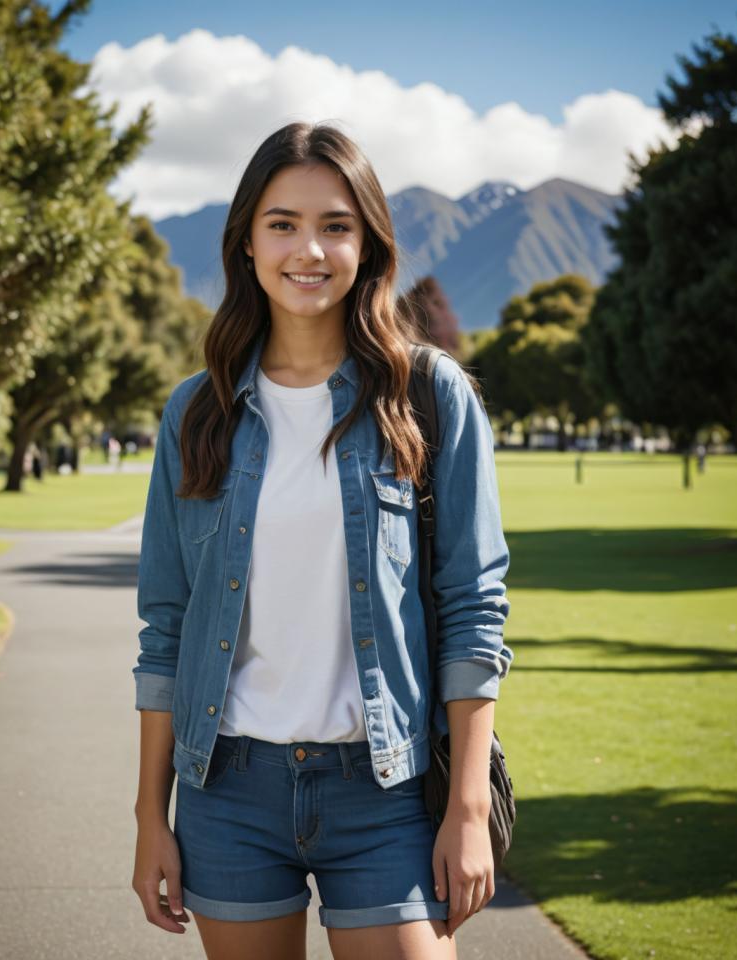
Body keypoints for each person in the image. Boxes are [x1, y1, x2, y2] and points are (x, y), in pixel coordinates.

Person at [131, 121, 514, 960]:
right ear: (246, 244)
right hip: (226, 790)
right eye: (283, 224)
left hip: (386, 792)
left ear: (367, 244)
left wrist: (469, 811)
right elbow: (166, 623)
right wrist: (148, 818)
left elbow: (475, 607)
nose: (309, 249)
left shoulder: (428, 396)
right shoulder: (197, 412)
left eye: (336, 225)